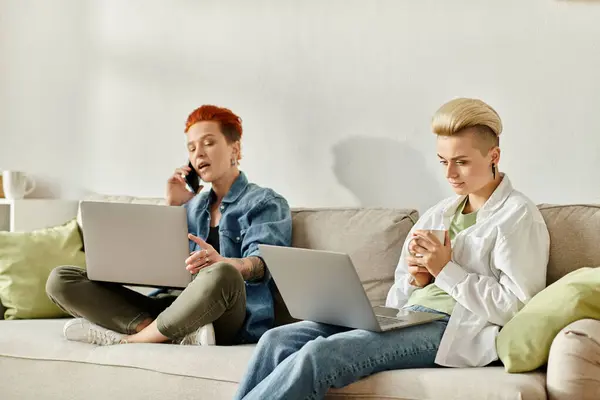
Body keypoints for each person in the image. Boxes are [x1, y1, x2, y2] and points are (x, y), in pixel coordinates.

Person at [234, 98, 550, 400]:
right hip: (409, 316)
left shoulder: (518, 215)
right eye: (443, 162)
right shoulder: (439, 213)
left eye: (462, 162)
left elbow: (517, 308)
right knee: (277, 339)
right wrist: (417, 280)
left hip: (451, 329)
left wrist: (446, 271)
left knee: (319, 355)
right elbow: (397, 298)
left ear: (493, 156)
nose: (450, 174)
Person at [46, 105, 292, 346]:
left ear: (234, 150)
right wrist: (173, 207)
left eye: (208, 143)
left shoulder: (265, 202)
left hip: (227, 317)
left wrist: (230, 264)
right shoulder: (191, 207)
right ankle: (167, 333)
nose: (199, 154)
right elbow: (162, 268)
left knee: (222, 273)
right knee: (61, 279)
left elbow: (264, 263)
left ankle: (132, 340)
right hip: (174, 305)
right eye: (192, 147)